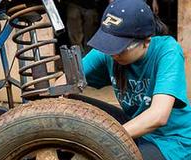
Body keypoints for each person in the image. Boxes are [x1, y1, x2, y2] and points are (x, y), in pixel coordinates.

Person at [82, 0, 191, 159]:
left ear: (146, 41)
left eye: (120, 47)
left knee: (107, 155)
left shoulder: (168, 51)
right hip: (134, 126)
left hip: (171, 141)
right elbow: (67, 82)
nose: (114, 54)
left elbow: (158, 116)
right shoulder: (109, 52)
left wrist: (104, 138)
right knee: (72, 103)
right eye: (109, 44)